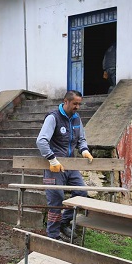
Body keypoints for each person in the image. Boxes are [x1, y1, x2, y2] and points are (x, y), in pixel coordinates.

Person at [36, 90, 94, 240]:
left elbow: (81, 139)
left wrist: (84, 150)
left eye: (79, 104)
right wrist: (52, 159)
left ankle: (64, 222)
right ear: (66, 101)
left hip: (70, 165)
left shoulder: (76, 118)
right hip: (54, 166)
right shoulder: (53, 117)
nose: (77, 107)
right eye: (75, 104)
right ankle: (53, 236)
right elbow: (41, 141)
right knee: (56, 200)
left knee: (81, 193)